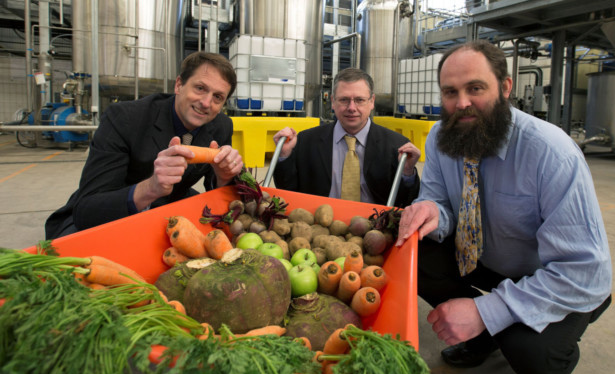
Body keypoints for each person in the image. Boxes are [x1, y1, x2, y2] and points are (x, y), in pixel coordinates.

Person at [395, 40, 612, 374]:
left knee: (528, 351)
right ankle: (482, 341)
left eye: (475, 88)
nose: (461, 102)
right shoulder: (439, 137)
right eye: (451, 91)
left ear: (505, 88)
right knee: (417, 259)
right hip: (484, 257)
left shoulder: (551, 154)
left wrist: (487, 309)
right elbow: (437, 199)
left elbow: (585, 270)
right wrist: (433, 211)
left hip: (553, 278)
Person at [45, 52, 243, 239]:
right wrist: (151, 188)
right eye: (200, 88)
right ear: (179, 85)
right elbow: (88, 210)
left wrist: (224, 177)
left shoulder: (221, 125)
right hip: (112, 212)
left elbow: (218, 191)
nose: (206, 103)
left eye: (218, 97)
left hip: (170, 207)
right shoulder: (124, 119)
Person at [271, 68, 421, 208]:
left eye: (359, 100)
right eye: (344, 100)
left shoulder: (396, 146)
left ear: (372, 101)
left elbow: (406, 203)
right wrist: (284, 156)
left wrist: (407, 171)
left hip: (374, 230)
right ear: (333, 102)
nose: (351, 107)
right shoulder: (305, 142)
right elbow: (288, 193)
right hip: (317, 228)